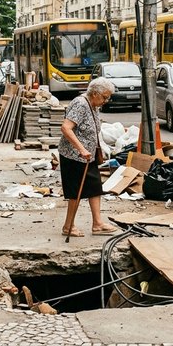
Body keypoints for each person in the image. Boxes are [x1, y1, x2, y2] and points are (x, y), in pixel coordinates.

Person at [58, 77, 118, 237]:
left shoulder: (93, 105)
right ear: (95, 93)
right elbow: (66, 128)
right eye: (105, 97)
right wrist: (81, 149)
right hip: (74, 156)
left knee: (94, 188)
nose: (107, 100)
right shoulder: (81, 104)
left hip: (87, 157)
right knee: (75, 192)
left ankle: (97, 224)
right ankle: (68, 226)